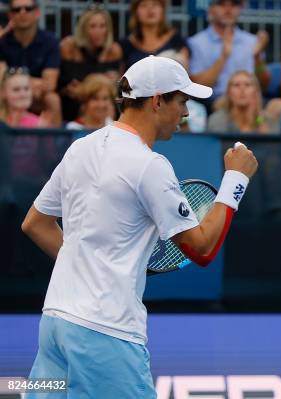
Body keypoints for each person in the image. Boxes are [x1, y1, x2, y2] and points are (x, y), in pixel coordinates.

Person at [21, 56, 258, 398]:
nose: (186, 113)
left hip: (55, 323)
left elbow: (35, 224)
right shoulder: (150, 166)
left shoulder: (80, 147)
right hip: (107, 334)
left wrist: (87, 270)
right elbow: (202, 248)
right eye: (182, 101)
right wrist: (235, 180)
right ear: (158, 100)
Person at [188, 0, 269, 103]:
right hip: (213, 102)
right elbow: (198, 88)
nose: (228, 9)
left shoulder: (252, 41)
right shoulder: (196, 43)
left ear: (240, 9)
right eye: (221, 4)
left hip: (251, 101)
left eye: (234, 4)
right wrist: (223, 57)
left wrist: (257, 58)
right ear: (210, 9)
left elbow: (264, 85)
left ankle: (257, 119)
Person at [0, 0, 62, 127]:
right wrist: (33, 83)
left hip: (36, 95)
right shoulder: (2, 41)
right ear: (10, 15)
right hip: (7, 92)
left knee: (52, 99)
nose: (23, 12)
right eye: (17, 10)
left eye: (28, 8)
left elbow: (50, 84)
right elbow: (1, 78)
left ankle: (57, 142)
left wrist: (19, 82)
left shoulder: (50, 41)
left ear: (37, 12)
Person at [59, 5, 122, 122]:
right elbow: (65, 87)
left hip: (103, 105)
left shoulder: (113, 50)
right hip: (72, 106)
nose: (97, 31)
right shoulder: (69, 47)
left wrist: (83, 89)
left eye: (102, 26)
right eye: (92, 26)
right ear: (83, 28)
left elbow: (115, 87)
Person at [120, 0, 190, 70]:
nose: (150, 9)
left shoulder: (177, 41)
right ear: (135, 12)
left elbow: (184, 73)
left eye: (155, 4)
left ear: (163, 10)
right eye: (144, 5)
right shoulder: (125, 45)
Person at [208, 70, 280, 134]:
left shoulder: (269, 119)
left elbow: (271, 147)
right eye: (236, 85)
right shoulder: (218, 119)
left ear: (256, 92)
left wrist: (258, 117)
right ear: (229, 93)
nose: (242, 89)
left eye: (247, 85)